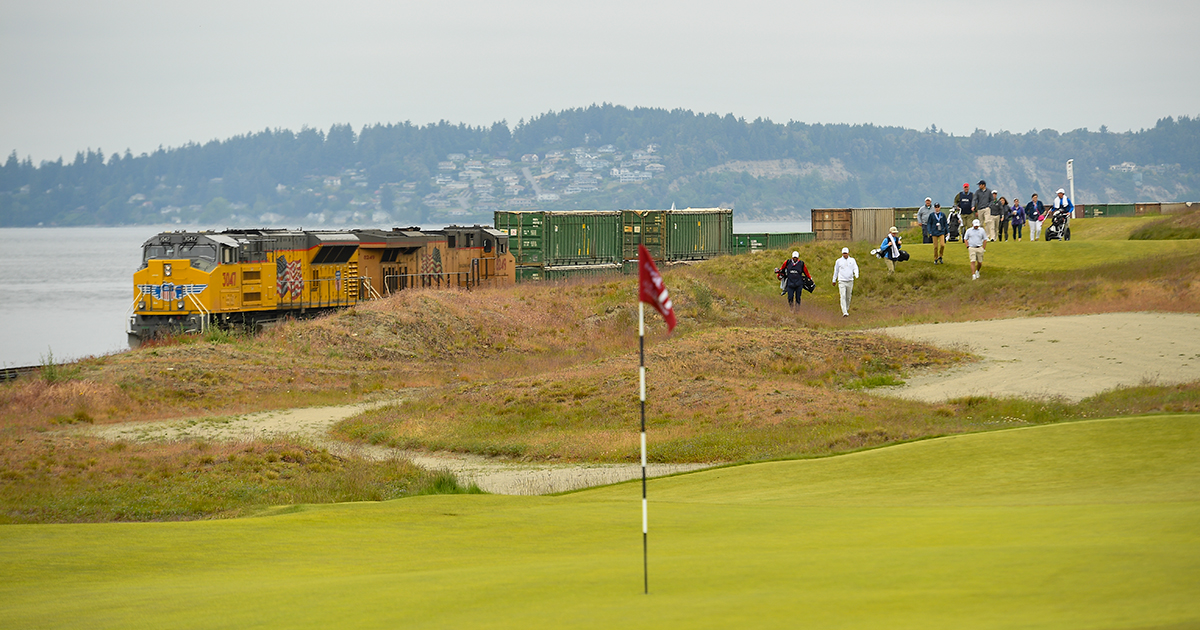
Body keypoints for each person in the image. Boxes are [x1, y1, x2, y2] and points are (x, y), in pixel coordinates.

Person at [831, 247, 859, 317]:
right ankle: (844, 312)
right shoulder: (838, 261)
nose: (845, 255)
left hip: (850, 280)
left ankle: (846, 308)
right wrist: (834, 280)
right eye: (843, 253)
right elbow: (836, 270)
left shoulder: (852, 260)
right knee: (843, 296)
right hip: (841, 281)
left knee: (848, 296)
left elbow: (855, 267)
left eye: (846, 253)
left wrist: (856, 274)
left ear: (848, 253)